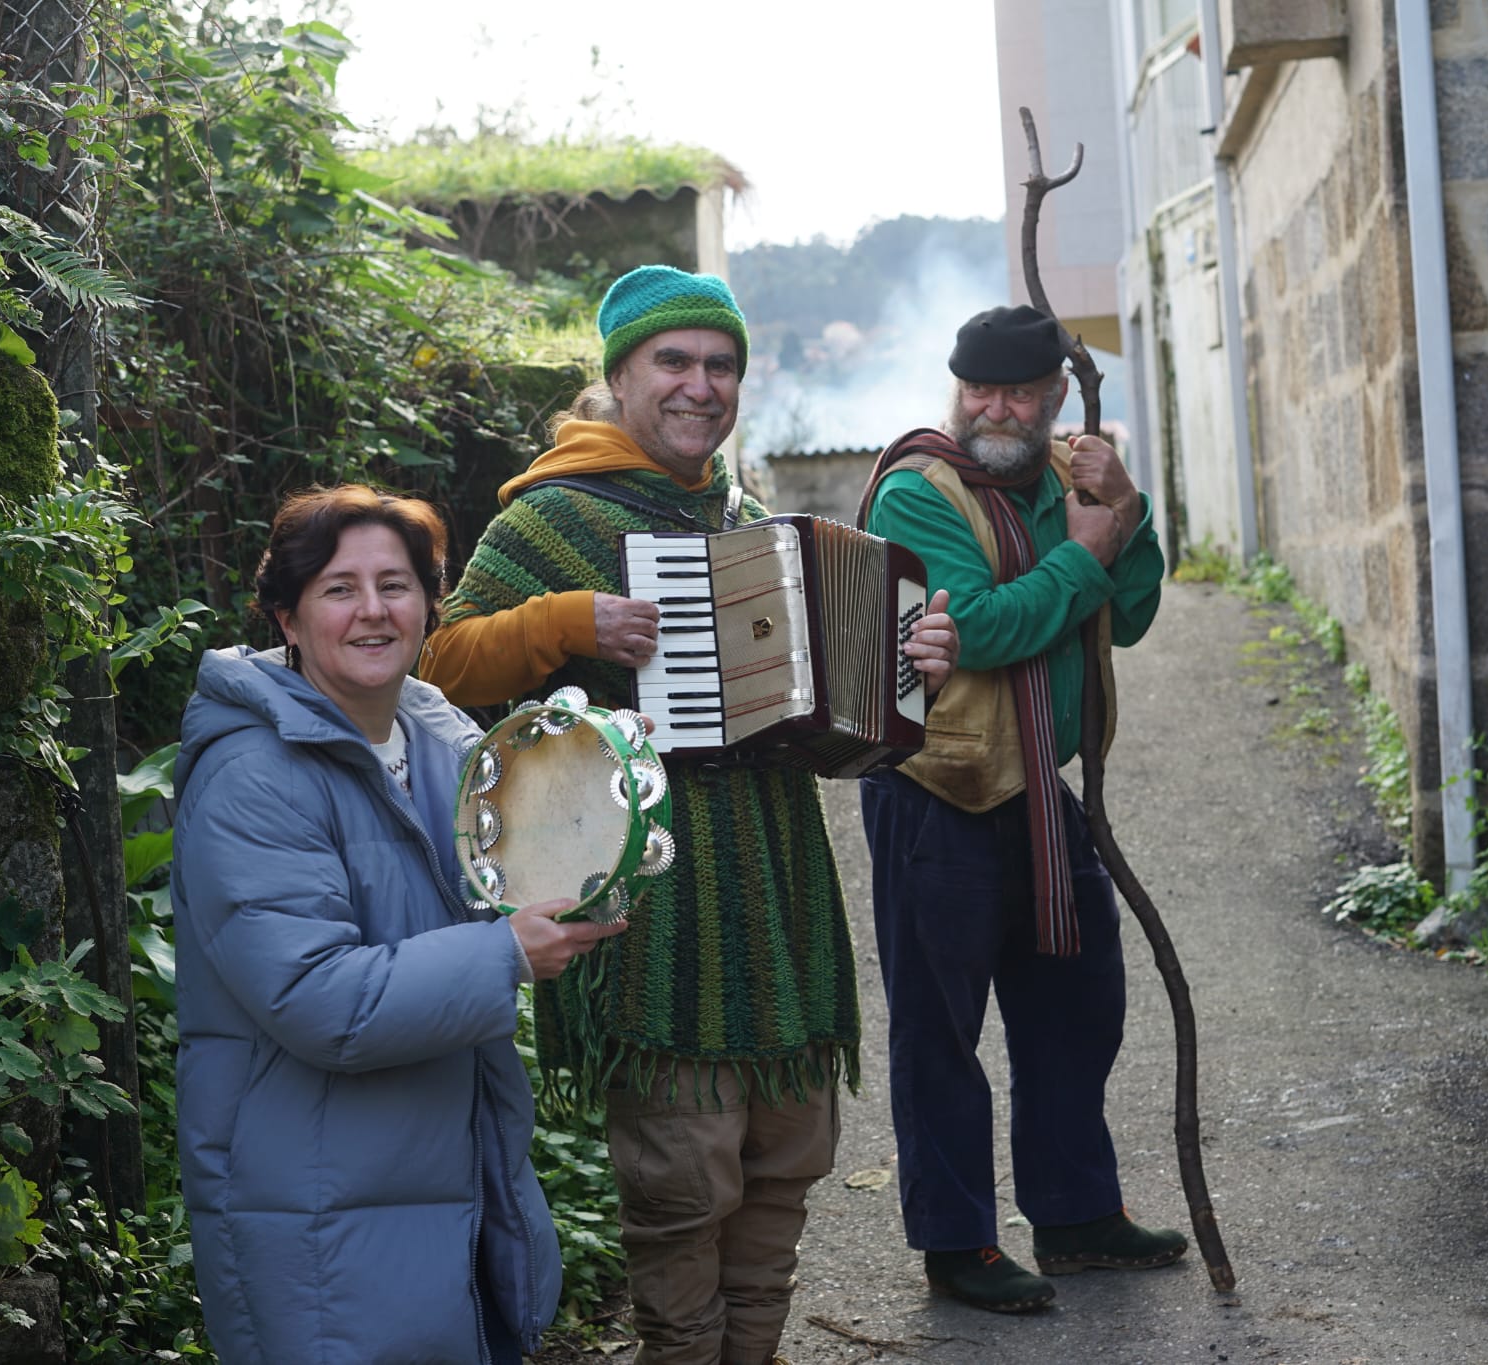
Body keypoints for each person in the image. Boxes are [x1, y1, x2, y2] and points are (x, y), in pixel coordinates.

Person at [418, 265, 958, 1365]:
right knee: (681, 1182)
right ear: (617, 375)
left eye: (720, 366)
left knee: (781, 1170)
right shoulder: (553, 514)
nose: (698, 385)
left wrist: (910, 679)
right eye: (672, 361)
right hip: (650, 899)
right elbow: (437, 663)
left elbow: (829, 735)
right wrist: (568, 620)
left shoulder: (747, 518)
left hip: (775, 886)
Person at [171, 484, 626, 1364]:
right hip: (311, 1190)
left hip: (441, 1167)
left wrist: (604, 774)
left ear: (430, 606)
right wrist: (505, 956)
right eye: (339, 588)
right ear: (287, 618)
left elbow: (526, 863)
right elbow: (319, 997)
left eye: (397, 584)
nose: (373, 610)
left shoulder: (438, 735)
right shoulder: (252, 777)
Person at [855, 304, 1181, 1314]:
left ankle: (1076, 1216)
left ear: (1053, 397)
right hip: (935, 793)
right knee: (939, 1031)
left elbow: (1127, 615)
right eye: (975, 389)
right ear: (954, 389)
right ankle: (957, 1245)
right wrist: (1083, 556)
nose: (992, 407)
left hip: (1044, 792)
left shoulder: (1066, 479)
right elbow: (981, 632)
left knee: (1075, 1008)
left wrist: (1122, 516)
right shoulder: (915, 493)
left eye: (1015, 392)